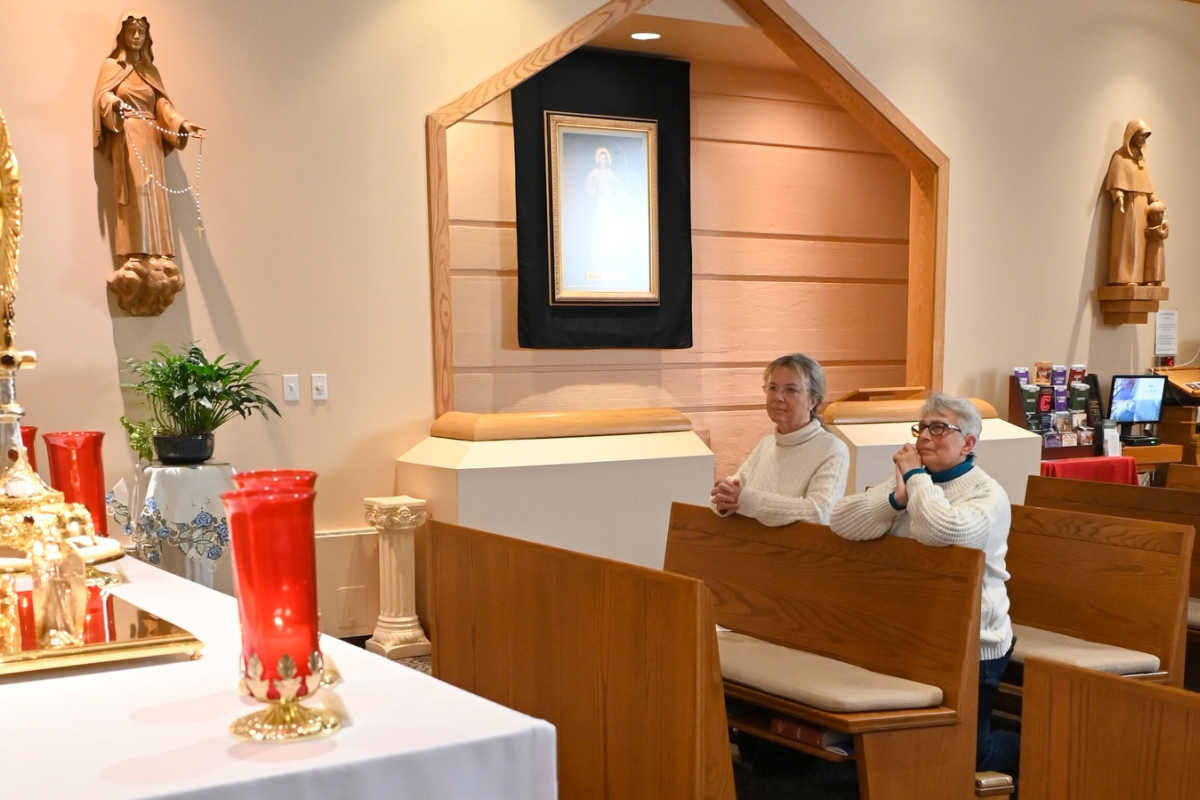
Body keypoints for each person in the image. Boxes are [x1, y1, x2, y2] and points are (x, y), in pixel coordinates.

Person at [829, 393, 1019, 779]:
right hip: (909, 635)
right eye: (921, 428)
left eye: (939, 428)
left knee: (972, 756)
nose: (924, 439)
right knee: (916, 741)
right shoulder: (917, 484)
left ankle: (1048, 738)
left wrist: (914, 480)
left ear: (968, 443)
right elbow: (841, 521)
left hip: (972, 643)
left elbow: (939, 530)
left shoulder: (987, 495)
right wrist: (895, 499)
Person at [93, 13, 204, 315]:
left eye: (142, 32)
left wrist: (181, 123)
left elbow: (163, 105)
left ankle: (157, 255)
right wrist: (111, 104)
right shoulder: (111, 67)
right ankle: (134, 255)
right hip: (128, 136)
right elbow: (103, 96)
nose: (137, 36)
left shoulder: (150, 70)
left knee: (155, 196)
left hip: (152, 139)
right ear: (123, 34)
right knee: (135, 193)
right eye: (132, 31)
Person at [710, 353, 848, 526]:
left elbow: (819, 513)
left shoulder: (832, 450)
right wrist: (723, 499)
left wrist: (745, 500)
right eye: (773, 388)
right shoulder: (766, 444)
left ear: (813, 400)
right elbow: (735, 491)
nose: (778, 397)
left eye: (791, 390)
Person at [1105, 119, 1158, 286]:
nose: (1143, 140)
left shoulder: (1142, 161)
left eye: (1145, 137)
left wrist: (1154, 198)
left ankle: (1141, 277)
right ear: (1131, 136)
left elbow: (1148, 186)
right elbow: (1116, 182)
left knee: (1142, 244)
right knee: (1128, 242)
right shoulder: (1120, 158)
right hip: (1128, 206)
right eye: (1141, 136)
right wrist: (1119, 196)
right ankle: (1125, 277)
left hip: (1143, 208)